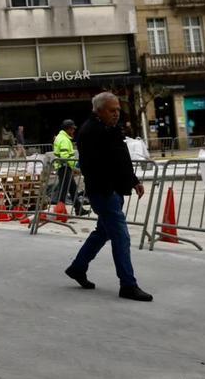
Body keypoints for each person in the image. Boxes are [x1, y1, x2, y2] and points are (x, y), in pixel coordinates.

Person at [64, 92, 153, 302]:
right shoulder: (90, 131)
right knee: (121, 236)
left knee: (102, 232)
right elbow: (92, 166)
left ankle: (77, 267)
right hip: (104, 192)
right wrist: (109, 189)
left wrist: (133, 180)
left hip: (115, 189)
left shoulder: (110, 128)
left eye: (118, 110)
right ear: (99, 110)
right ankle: (128, 284)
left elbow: (120, 157)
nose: (116, 114)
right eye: (112, 110)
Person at [52, 119, 83, 215]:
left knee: (72, 188)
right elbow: (64, 156)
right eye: (72, 129)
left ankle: (79, 208)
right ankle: (60, 212)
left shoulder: (61, 137)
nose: (74, 131)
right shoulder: (64, 139)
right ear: (68, 129)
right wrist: (73, 167)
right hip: (64, 167)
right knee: (64, 191)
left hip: (64, 167)